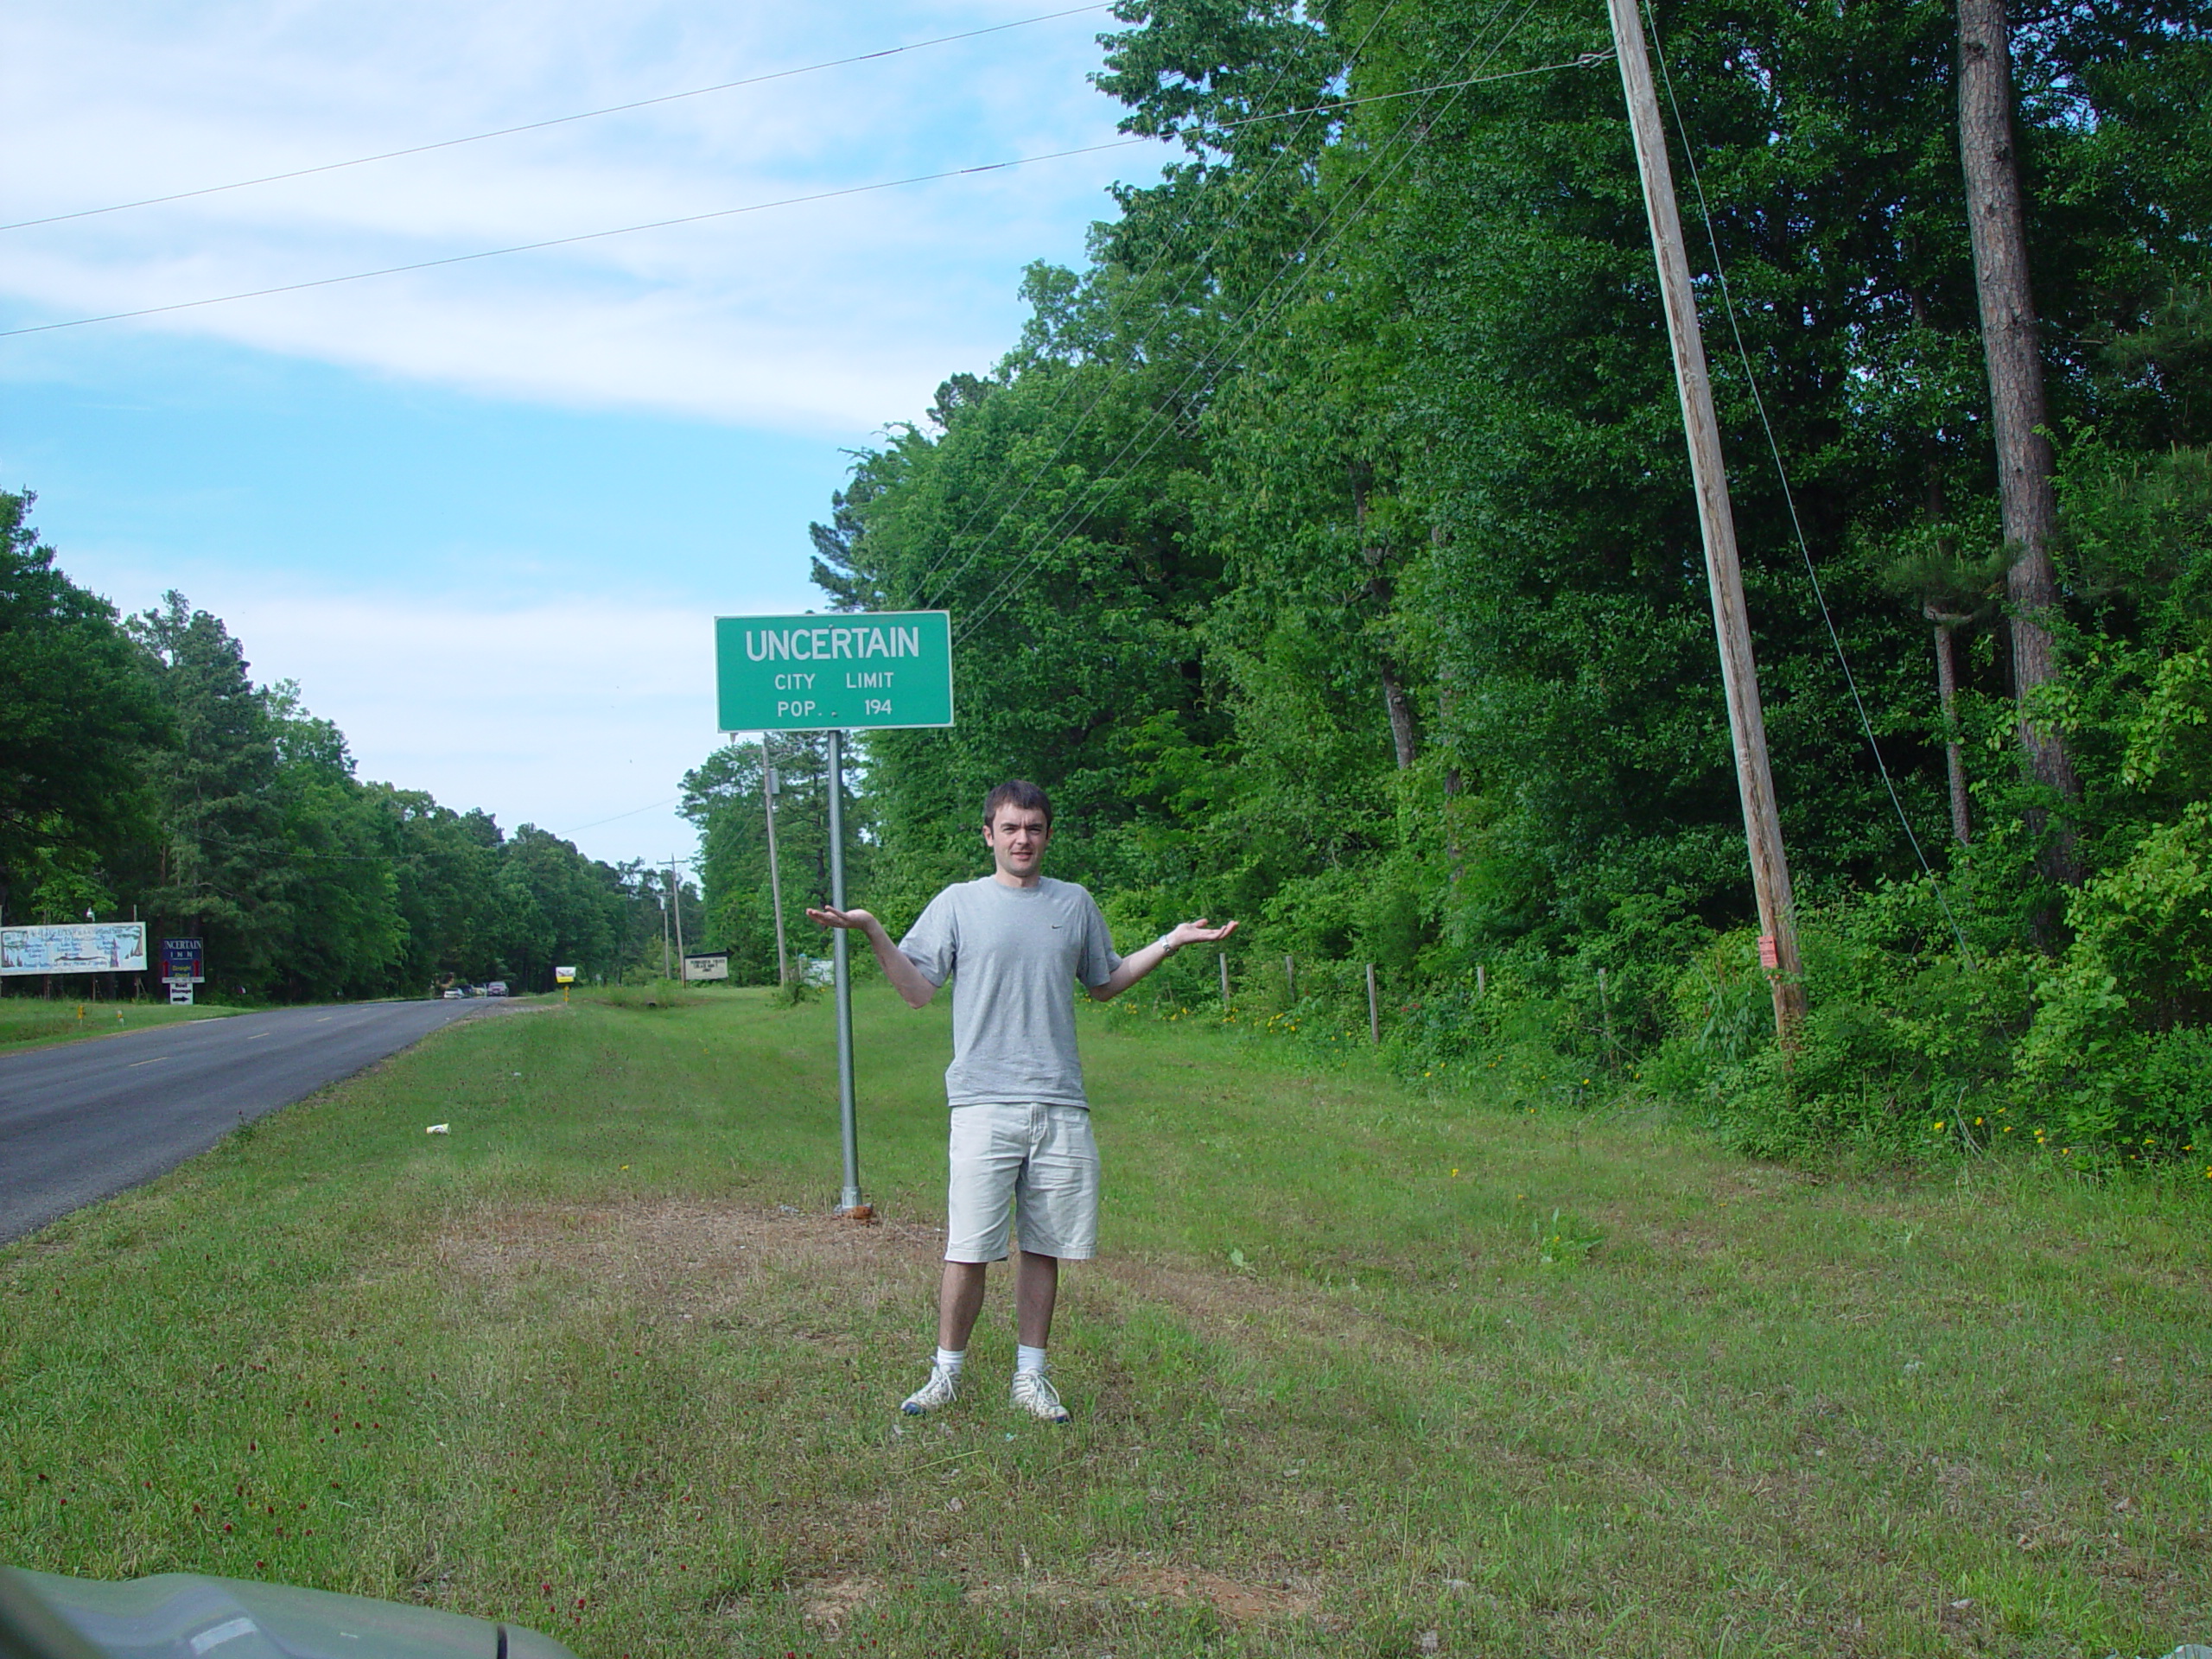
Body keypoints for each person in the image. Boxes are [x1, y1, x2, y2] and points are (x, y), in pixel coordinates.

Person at [806, 779, 1236, 1423]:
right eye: (1009, 828)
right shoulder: (958, 903)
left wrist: (1170, 941)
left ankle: (1030, 1377)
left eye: (1033, 828)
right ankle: (946, 1374)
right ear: (988, 834)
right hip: (982, 1103)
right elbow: (918, 990)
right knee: (968, 1246)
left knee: (1044, 1245)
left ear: (1047, 835)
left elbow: (1105, 982)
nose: (1022, 839)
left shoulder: (1075, 903)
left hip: (1061, 1102)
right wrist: (871, 931)